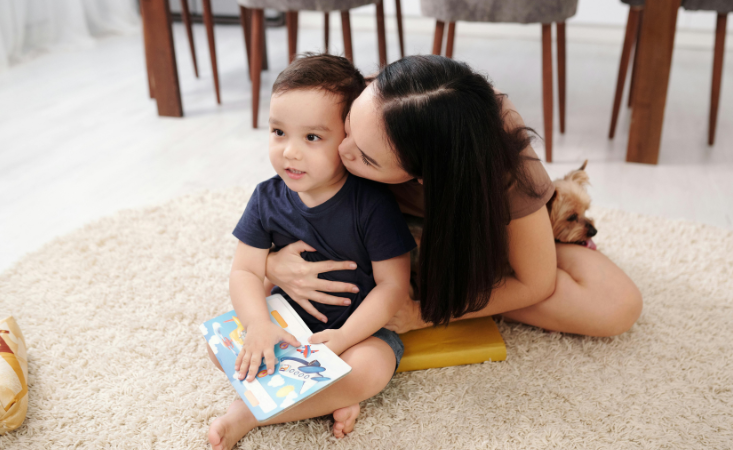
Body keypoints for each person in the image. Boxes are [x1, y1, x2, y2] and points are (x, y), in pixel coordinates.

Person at [265, 55, 644, 432]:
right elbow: (278, 197)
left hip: (465, 236)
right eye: (347, 126)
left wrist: (423, 314)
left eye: (365, 157)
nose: (343, 151)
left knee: (617, 306)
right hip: (372, 241)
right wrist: (272, 263)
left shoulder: (500, 152)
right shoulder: (355, 95)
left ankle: (499, 255)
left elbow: (536, 282)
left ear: (424, 176)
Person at [206, 54, 416, 450]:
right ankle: (330, 396)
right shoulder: (266, 197)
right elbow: (246, 272)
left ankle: (250, 413)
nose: (289, 152)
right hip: (285, 322)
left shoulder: (372, 203)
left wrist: (341, 339)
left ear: (348, 141)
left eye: (312, 138)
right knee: (218, 346)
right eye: (279, 132)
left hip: (354, 331)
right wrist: (258, 327)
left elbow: (392, 286)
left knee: (372, 369)